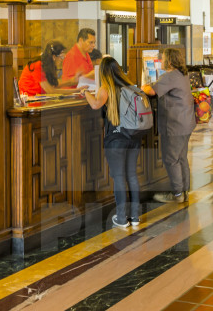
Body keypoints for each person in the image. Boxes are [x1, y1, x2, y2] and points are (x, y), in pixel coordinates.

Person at [83, 56, 142, 228]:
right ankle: (135, 217)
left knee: (118, 177)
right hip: (133, 138)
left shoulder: (105, 88)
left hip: (116, 139)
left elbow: (95, 105)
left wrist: (85, 92)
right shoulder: (130, 87)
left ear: (102, 72)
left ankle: (122, 219)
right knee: (131, 175)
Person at [143, 48, 195, 204]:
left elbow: (151, 91)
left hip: (175, 124)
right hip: (186, 122)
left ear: (170, 61)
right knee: (181, 157)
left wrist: (144, 86)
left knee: (171, 158)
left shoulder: (171, 76)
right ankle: (184, 190)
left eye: (163, 58)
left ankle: (177, 194)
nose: (161, 60)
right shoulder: (181, 74)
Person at [18, 41, 83, 96]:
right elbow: (50, 91)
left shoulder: (49, 65)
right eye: (61, 57)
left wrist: (72, 81)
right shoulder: (37, 65)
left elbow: (54, 85)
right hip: (28, 98)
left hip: (39, 97)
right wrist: (77, 90)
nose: (62, 60)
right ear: (54, 57)